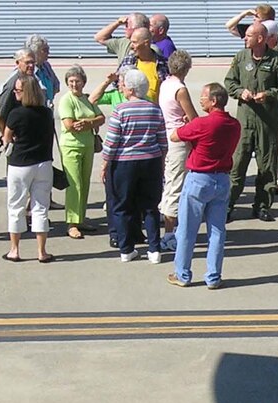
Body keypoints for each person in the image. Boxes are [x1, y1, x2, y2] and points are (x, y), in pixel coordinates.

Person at [168, 82, 241, 289]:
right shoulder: (234, 124)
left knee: (186, 230)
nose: (200, 99)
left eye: (203, 96)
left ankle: (182, 274)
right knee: (217, 231)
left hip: (199, 179)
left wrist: (187, 127)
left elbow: (175, 136)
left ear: (214, 100)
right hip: (222, 179)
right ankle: (213, 276)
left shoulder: (202, 124)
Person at [223, 19, 278, 221]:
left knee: (267, 166)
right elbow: (229, 82)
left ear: (260, 38)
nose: (245, 38)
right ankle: (228, 205)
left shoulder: (277, 61)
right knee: (237, 164)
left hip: (267, 123)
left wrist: (268, 94)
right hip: (245, 121)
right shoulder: (240, 57)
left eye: (249, 35)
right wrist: (239, 92)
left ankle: (262, 206)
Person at [101, 68, 168, 262]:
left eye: (123, 85)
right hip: (151, 161)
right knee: (150, 206)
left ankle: (126, 249)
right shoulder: (155, 109)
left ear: (130, 89)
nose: (121, 88)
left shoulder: (120, 110)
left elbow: (112, 141)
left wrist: (105, 164)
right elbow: (162, 141)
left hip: (124, 164)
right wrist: (161, 162)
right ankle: (154, 249)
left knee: (122, 206)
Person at [0, 73, 55, 263]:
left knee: (16, 206)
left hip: (20, 164)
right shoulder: (46, 113)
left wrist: (10, 138)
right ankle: (42, 251)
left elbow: (6, 138)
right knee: (40, 207)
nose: (15, 93)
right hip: (43, 163)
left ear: (26, 92)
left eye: (18, 90)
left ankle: (14, 249)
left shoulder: (16, 114)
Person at [54, 65, 104, 240]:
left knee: (84, 183)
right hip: (71, 147)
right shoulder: (66, 100)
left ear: (84, 82)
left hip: (88, 146)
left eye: (77, 81)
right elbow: (70, 125)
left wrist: (87, 123)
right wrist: (90, 122)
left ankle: (80, 218)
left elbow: (101, 117)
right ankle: (72, 223)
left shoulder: (86, 99)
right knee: (74, 185)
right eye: (71, 81)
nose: (74, 84)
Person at [158, 49, 198, 245]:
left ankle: (168, 225)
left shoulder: (165, 84)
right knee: (176, 185)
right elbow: (193, 118)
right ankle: (169, 234)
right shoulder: (180, 89)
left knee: (169, 181)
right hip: (179, 140)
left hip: (166, 135)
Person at [95, 23, 161, 106]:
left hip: (153, 113)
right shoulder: (129, 61)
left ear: (146, 43)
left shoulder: (162, 64)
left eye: (134, 42)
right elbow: (117, 85)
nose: (131, 46)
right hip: (130, 110)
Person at [21, 36, 59, 101]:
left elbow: (56, 85)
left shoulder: (46, 66)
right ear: (35, 52)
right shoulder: (26, 70)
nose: (48, 53)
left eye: (48, 49)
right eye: (45, 50)